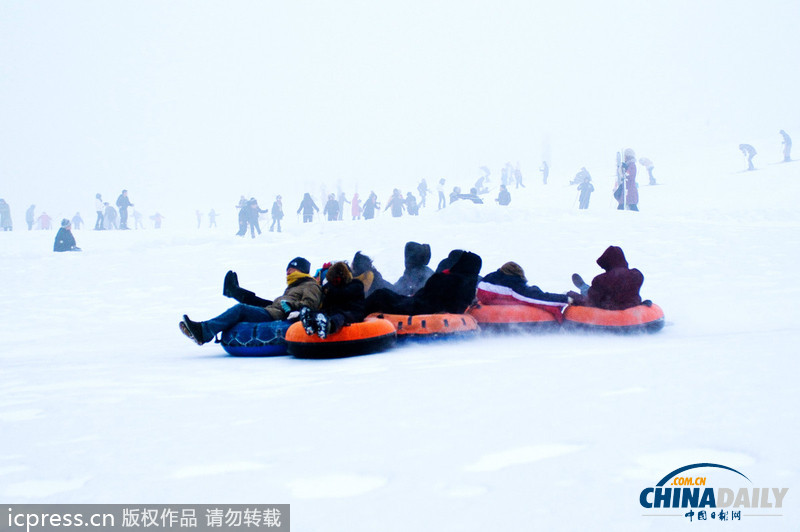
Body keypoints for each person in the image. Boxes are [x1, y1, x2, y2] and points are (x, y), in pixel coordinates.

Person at [180, 257, 322, 345]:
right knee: (252, 304)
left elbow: (310, 306)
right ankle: (235, 292)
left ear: (301, 270)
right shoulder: (294, 287)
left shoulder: (310, 285)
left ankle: (204, 331)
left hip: (280, 316)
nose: (288, 273)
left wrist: (291, 305)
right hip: (274, 311)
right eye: (287, 270)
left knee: (241, 309)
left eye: (292, 269)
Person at [365, 250, 482, 315]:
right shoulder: (469, 283)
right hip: (425, 306)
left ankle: (356, 316)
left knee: (381, 294)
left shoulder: (451, 279)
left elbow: (430, 291)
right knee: (385, 294)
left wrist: (443, 275)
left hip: (420, 307)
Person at [476, 262, 569, 322]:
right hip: (498, 297)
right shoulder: (513, 285)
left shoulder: (490, 278)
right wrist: (565, 299)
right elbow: (536, 298)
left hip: (484, 295)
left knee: (533, 290)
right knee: (534, 293)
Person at [299, 261, 366, 339]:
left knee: (340, 316)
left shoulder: (355, 285)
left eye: (335, 281)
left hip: (352, 313)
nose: (333, 283)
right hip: (334, 311)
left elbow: (343, 294)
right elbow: (327, 304)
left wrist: (329, 290)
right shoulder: (329, 288)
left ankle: (329, 325)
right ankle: (311, 321)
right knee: (323, 312)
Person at [567, 246, 644, 311]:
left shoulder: (601, 280)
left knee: (587, 292)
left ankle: (583, 287)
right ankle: (584, 287)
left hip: (607, 310)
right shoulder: (637, 275)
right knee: (594, 291)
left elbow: (590, 302)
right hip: (631, 307)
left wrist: (573, 296)